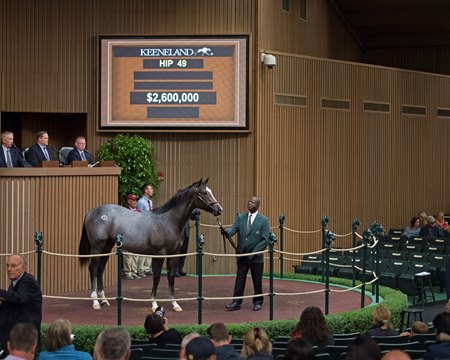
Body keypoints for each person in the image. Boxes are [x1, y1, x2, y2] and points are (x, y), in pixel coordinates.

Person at [221, 196, 270, 312]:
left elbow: (265, 240)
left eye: (253, 202)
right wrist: (226, 232)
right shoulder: (241, 217)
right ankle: (236, 302)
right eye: (249, 201)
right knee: (239, 279)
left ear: (257, 205)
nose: (249, 203)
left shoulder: (263, 220)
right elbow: (233, 230)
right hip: (242, 255)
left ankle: (258, 302)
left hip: (256, 257)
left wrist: (254, 253)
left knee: (257, 280)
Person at [0, 254, 43, 357]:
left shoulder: (28, 281)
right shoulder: (15, 283)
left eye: (14, 266)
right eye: (8, 266)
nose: (9, 269)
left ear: (24, 267)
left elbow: (19, 298)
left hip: (23, 340)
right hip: (13, 339)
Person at [136, 184, 154, 276]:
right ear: (146, 191)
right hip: (143, 227)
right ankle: (140, 269)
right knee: (142, 249)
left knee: (149, 248)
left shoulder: (150, 202)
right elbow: (139, 215)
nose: (152, 190)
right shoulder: (141, 202)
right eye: (150, 189)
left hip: (150, 227)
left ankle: (147, 268)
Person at [123, 194, 141, 280]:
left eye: (136, 200)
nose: (135, 202)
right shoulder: (125, 211)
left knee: (135, 255)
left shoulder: (138, 211)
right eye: (133, 200)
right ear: (128, 201)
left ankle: (134, 271)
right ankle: (128, 272)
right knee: (128, 255)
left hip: (137, 235)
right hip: (128, 235)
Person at [177, 209, 200, 277]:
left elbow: (191, 217)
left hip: (186, 231)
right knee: (177, 251)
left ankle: (180, 268)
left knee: (184, 251)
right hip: (178, 231)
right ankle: (174, 269)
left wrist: (195, 214)